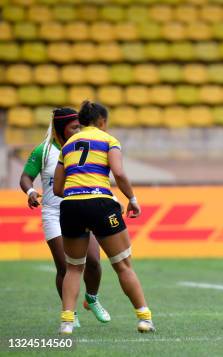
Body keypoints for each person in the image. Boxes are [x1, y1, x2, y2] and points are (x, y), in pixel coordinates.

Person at [53, 101, 154, 334]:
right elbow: (118, 172)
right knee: (123, 265)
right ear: (102, 121)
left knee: (74, 268)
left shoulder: (67, 145)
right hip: (100, 203)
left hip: (70, 206)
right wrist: (132, 198)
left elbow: (58, 188)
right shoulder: (109, 140)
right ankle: (144, 318)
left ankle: (67, 322)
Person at [19, 107, 110, 327]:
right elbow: (25, 177)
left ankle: (92, 298)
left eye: (79, 126)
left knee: (95, 263)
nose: (78, 130)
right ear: (61, 129)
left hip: (80, 208)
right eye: (73, 127)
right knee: (65, 266)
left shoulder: (83, 147)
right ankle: (70, 311)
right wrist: (31, 191)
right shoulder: (44, 150)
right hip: (54, 212)